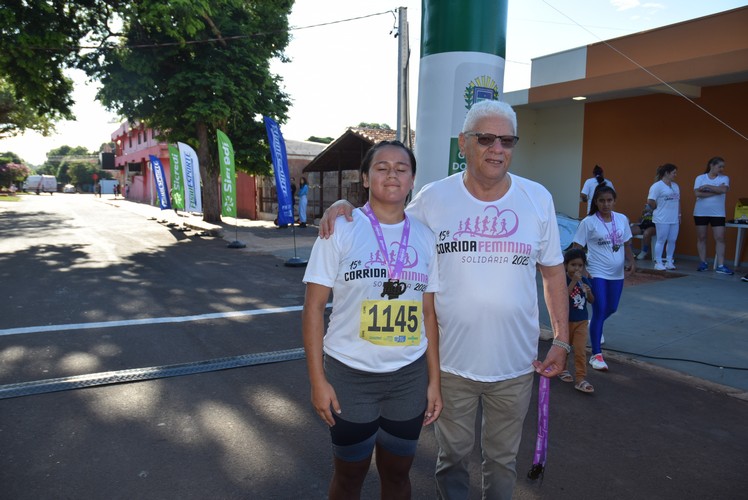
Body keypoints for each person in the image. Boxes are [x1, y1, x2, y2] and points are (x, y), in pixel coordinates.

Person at [319, 100, 570, 500]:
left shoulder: (537, 198)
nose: (497, 148)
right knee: (452, 458)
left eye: (507, 140)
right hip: (450, 366)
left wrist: (561, 338)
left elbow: (553, 272)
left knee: (503, 461)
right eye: (485, 138)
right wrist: (344, 206)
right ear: (464, 144)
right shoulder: (435, 199)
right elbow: (385, 214)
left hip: (518, 364)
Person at [302, 140, 442, 499]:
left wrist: (434, 382)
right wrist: (318, 380)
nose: (392, 174)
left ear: (412, 180)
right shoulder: (341, 229)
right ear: (365, 178)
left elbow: (428, 313)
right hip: (350, 375)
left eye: (402, 168)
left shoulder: (425, 238)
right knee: (349, 477)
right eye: (381, 167)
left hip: (408, 377)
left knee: (398, 475)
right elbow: (314, 307)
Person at [573, 185, 635, 371]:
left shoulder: (622, 219)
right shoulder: (589, 222)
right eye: (601, 201)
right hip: (597, 272)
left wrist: (632, 260)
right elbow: (577, 247)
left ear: (614, 201)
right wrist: (581, 269)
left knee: (612, 308)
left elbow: (626, 243)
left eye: (609, 200)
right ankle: (596, 355)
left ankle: (595, 325)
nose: (606, 204)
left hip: (617, 274)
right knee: (600, 310)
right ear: (596, 202)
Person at [558, 247, 595, 393]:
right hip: (565, 321)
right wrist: (573, 281)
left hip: (581, 321)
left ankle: (580, 378)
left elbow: (592, 301)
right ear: (566, 265)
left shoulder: (584, 280)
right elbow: (562, 297)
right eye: (573, 265)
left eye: (580, 265)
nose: (577, 268)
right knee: (564, 348)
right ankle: (562, 369)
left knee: (580, 350)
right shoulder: (563, 280)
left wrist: (589, 292)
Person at [693, 156, 733, 275]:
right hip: (700, 212)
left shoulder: (725, 178)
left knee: (720, 238)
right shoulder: (700, 178)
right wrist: (716, 191)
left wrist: (707, 187)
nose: (722, 169)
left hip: (718, 213)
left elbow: (724, 190)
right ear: (712, 165)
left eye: (723, 167)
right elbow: (697, 194)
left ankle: (720, 265)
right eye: (719, 166)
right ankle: (703, 262)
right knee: (701, 237)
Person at [647, 163, 680, 271]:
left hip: (674, 218)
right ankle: (658, 262)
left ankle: (669, 261)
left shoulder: (675, 186)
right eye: (674, 172)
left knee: (672, 240)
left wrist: (679, 215)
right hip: (662, 218)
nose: (675, 175)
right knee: (661, 239)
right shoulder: (657, 186)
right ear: (666, 173)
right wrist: (657, 207)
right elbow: (650, 200)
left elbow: (678, 201)